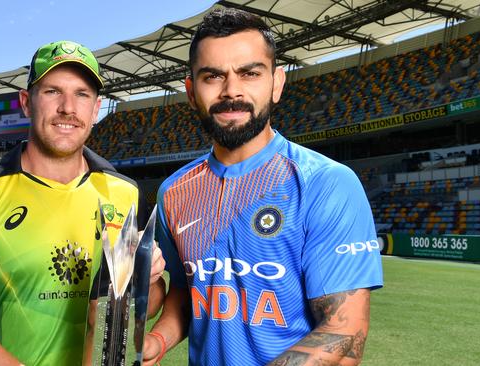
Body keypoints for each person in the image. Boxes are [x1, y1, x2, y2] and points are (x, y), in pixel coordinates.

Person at [142, 9, 383, 366]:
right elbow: (186, 292)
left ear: (276, 84)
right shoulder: (174, 191)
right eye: (213, 77)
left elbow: (344, 333)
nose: (231, 91)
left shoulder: (325, 182)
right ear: (191, 91)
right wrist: (157, 343)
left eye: (249, 73)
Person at [0, 40, 165, 366]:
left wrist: (148, 278)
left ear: (96, 109)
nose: (68, 107)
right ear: (27, 102)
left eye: (82, 94)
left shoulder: (122, 192)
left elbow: (136, 306)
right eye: (52, 91)